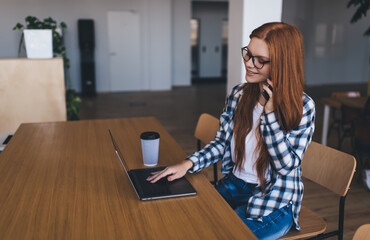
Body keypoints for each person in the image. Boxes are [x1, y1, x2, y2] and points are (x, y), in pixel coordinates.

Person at [147, 22, 315, 240]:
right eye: (248, 54)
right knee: (184, 222)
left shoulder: (303, 107)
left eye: (260, 60)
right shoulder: (239, 95)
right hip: (234, 184)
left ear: (283, 64)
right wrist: (187, 164)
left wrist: (270, 114)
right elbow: (222, 143)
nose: (249, 64)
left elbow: (285, 167)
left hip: (273, 200)